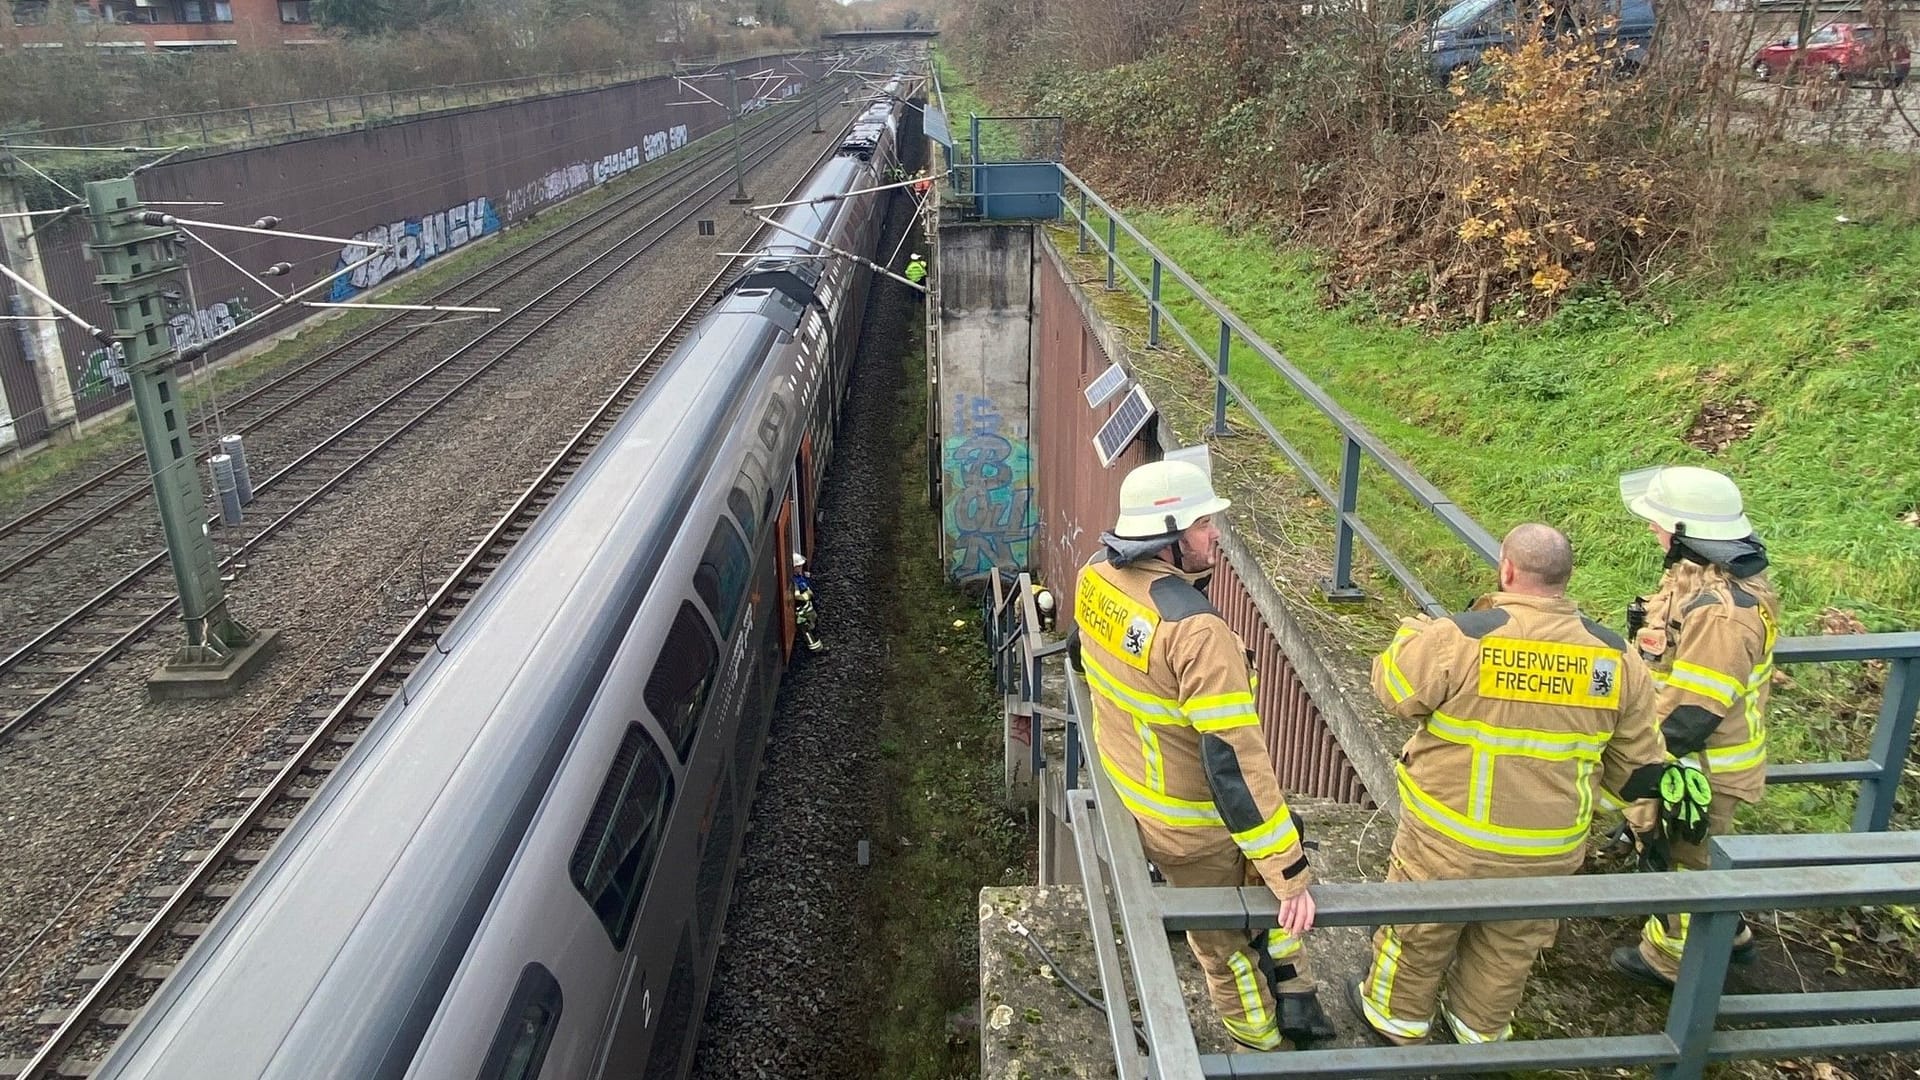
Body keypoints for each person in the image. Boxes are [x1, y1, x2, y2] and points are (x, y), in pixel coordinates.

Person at [1350, 524, 1669, 1045]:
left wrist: (1411, 634)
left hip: (1448, 838)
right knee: (1510, 945)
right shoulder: (1616, 658)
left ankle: (1395, 1021)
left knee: (1418, 932)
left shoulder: (1463, 636)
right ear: (1566, 579)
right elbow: (1636, 769)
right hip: (1548, 849)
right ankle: (1478, 1033)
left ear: (1507, 570)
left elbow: (1393, 689)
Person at [1071, 459, 1337, 1051]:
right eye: (1202, 524)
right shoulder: (1195, 631)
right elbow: (1233, 768)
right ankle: (1261, 1045)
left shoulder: (1097, 577)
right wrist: (1290, 874)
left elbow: (1076, 652)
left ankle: (1295, 994)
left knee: (1263, 858)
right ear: (1169, 536)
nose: (1214, 534)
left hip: (1139, 794)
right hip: (1192, 828)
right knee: (1223, 949)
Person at [1610, 466, 1780, 987]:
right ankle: (1730, 937)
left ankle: (1672, 963)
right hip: (1690, 760)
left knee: (1684, 860)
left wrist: (1631, 764)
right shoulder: (1696, 582)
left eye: (1659, 523)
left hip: (1702, 768)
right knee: (1695, 856)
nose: (1652, 530)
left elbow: (1690, 717)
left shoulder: (1725, 615)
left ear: (1687, 532)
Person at [791, 552, 825, 654]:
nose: (801, 568)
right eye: (799, 566)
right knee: (807, 631)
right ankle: (816, 650)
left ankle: (817, 646)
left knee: (813, 626)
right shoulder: (794, 581)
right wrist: (808, 595)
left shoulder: (801, 577)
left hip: (809, 609)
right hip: (802, 612)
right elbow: (797, 596)